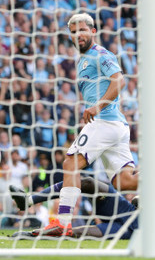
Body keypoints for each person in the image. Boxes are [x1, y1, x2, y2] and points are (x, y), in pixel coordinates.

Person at [40, 13, 137, 237]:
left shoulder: (100, 54)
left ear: (93, 31)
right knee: (125, 182)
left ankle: (62, 223)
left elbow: (119, 79)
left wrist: (98, 106)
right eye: (74, 32)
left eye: (83, 30)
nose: (78, 35)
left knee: (70, 163)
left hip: (104, 120)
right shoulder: (83, 59)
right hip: (116, 125)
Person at [9, 177, 155, 240]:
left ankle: (30, 235)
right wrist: (138, 200)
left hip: (133, 233)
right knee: (89, 183)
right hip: (128, 213)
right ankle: (29, 199)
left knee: (78, 234)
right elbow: (139, 200)